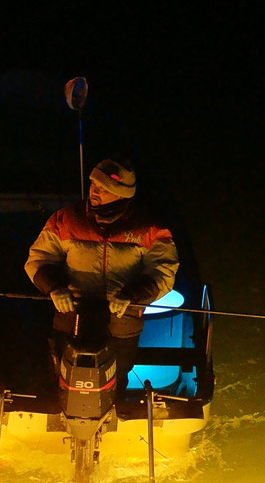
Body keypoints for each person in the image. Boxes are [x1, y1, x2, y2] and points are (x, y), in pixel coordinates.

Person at [24, 157, 179, 382]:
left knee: (116, 378)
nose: (95, 191)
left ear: (122, 194)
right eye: (93, 184)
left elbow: (164, 273)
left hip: (121, 322)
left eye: (104, 188)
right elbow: (38, 259)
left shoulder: (149, 228)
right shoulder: (66, 219)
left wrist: (131, 295)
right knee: (62, 376)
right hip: (71, 317)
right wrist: (54, 288)